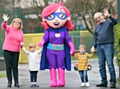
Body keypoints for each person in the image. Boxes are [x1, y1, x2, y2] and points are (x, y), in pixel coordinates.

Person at [38, 3, 75, 87]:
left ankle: (61, 80)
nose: (56, 20)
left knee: (61, 65)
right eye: (51, 17)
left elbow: (68, 40)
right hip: (50, 50)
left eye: (60, 16)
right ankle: (53, 80)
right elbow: (45, 38)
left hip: (61, 50)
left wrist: (72, 47)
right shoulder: (48, 30)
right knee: (52, 65)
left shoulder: (64, 30)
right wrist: (42, 42)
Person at [91, 9, 118, 88]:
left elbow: (116, 22)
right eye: (96, 19)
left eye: (98, 17)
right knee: (101, 65)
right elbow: (95, 38)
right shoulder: (97, 27)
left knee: (110, 65)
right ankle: (104, 81)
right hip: (99, 46)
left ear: (102, 16)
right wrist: (94, 46)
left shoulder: (109, 22)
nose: (98, 20)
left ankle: (113, 82)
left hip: (108, 45)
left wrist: (109, 16)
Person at [1, 14, 24, 87]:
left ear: (20, 25)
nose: (17, 24)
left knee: (15, 67)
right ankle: (9, 81)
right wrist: (5, 21)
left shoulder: (21, 32)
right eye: (15, 23)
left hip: (16, 51)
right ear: (13, 23)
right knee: (8, 66)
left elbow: (21, 41)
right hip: (7, 50)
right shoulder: (9, 28)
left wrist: (21, 44)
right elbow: (4, 27)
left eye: (18, 23)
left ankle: (16, 82)